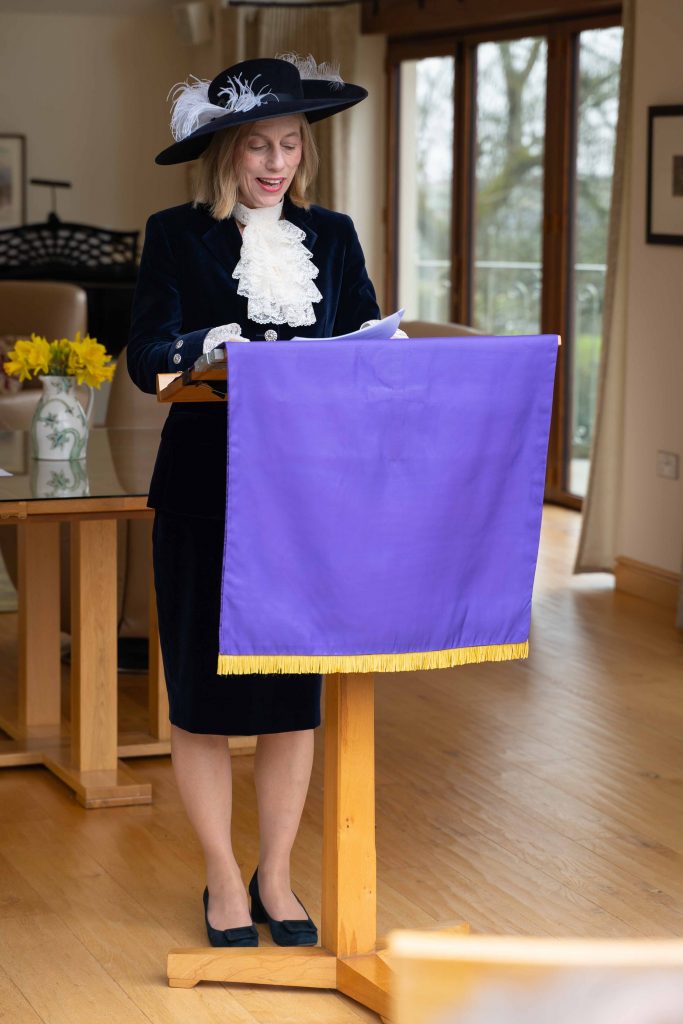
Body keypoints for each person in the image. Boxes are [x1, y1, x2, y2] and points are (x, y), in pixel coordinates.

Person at [127, 55, 381, 948]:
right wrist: (204, 344)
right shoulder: (173, 233)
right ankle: (222, 880)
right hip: (203, 491)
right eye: (256, 147)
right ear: (224, 154)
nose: (274, 163)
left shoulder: (336, 236)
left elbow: (365, 342)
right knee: (200, 697)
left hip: (306, 497)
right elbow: (144, 355)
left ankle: (276, 875)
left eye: (288, 145)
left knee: (289, 699)